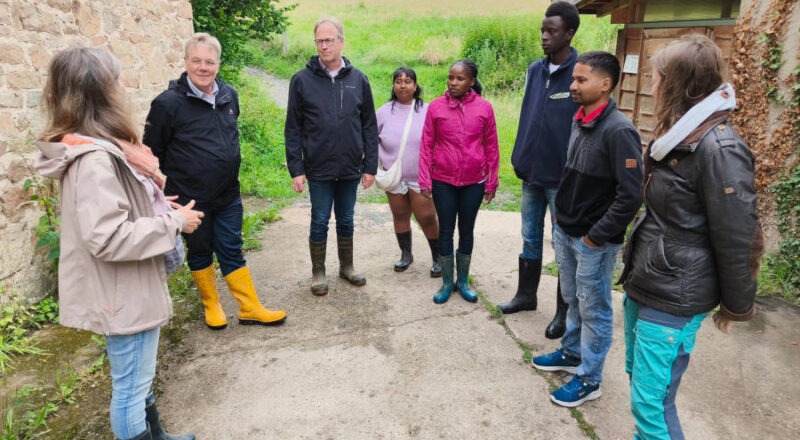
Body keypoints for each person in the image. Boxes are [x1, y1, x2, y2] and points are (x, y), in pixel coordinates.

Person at [35, 46, 201, 440]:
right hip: (122, 292)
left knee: (138, 381)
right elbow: (107, 237)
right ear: (102, 91)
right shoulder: (94, 159)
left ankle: (156, 436)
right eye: (118, 80)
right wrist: (173, 222)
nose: (124, 86)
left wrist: (152, 203)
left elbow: (113, 211)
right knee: (129, 389)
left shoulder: (96, 146)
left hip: (127, 289)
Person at [618, 35, 763, 439]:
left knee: (651, 404)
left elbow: (739, 236)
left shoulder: (720, 148)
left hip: (676, 294)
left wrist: (736, 307)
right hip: (649, 282)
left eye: (657, 77)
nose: (651, 86)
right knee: (644, 386)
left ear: (678, 84)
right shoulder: (679, 137)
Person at [144, 33, 286, 330]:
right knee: (200, 250)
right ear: (185, 62)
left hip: (228, 194)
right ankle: (212, 305)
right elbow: (151, 152)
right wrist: (158, 188)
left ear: (218, 64)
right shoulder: (168, 104)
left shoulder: (228, 95)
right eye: (197, 61)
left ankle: (250, 308)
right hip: (190, 199)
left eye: (209, 61)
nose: (203, 67)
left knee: (232, 246)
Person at [531, 51, 643, 408]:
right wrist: (564, 221)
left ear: (605, 84)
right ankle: (572, 352)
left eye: (581, 80)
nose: (573, 85)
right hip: (568, 229)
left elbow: (630, 196)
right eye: (573, 79)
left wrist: (596, 235)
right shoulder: (579, 119)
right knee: (572, 297)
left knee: (594, 307)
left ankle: (590, 378)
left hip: (593, 238)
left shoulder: (620, 131)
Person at [501, 1, 581, 341]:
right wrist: (519, 156)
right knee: (529, 236)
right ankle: (526, 296)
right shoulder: (536, 70)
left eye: (552, 31)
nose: (544, 37)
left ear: (570, 33)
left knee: (562, 245)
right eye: (542, 30)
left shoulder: (581, 72)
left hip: (561, 178)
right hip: (530, 173)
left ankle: (563, 311)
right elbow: (527, 116)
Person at [284, 17, 379, 296]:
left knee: (347, 219)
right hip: (319, 167)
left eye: (329, 40)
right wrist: (296, 168)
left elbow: (368, 125)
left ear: (341, 41)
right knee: (320, 219)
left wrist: (369, 165)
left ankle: (346, 267)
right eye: (319, 41)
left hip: (350, 166)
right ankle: (318, 272)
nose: (324, 46)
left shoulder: (358, 79)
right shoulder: (301, 80)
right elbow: (293, 127)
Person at [419, 59, 500, 304]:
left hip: (473, 182)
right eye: (450, 77)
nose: (453, 82)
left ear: (471, 81)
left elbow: (492, 147)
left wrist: (491, 182)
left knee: (467, 231)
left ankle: (462, 281)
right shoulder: (435, 107)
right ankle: (446, 282)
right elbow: (426, 145)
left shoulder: (485, 108)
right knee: (445, 230)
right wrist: (425, 179)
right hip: (443, 180)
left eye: (460, 78)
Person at [376, 67, 441, 277]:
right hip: (394, 176)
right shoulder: (385, 111)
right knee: (400, 214)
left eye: (408, 81)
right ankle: (406, 254)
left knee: (427, 217)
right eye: (398, 81)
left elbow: (439, 140)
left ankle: (438, 258)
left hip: (420, 177)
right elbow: (370, 137)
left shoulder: (427, 110)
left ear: (415, 85)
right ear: (393, 85)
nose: (403, 86)